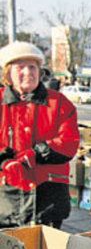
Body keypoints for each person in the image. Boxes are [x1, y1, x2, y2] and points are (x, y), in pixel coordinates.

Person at [0, 41, 80, 228]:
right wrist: (5, 161)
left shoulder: (59, 103)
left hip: (48, 198)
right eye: (21, 67)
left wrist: (36, 154)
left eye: (33, 67)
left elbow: (69, 142)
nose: (28, 72)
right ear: (8, 74)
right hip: (7, 197)